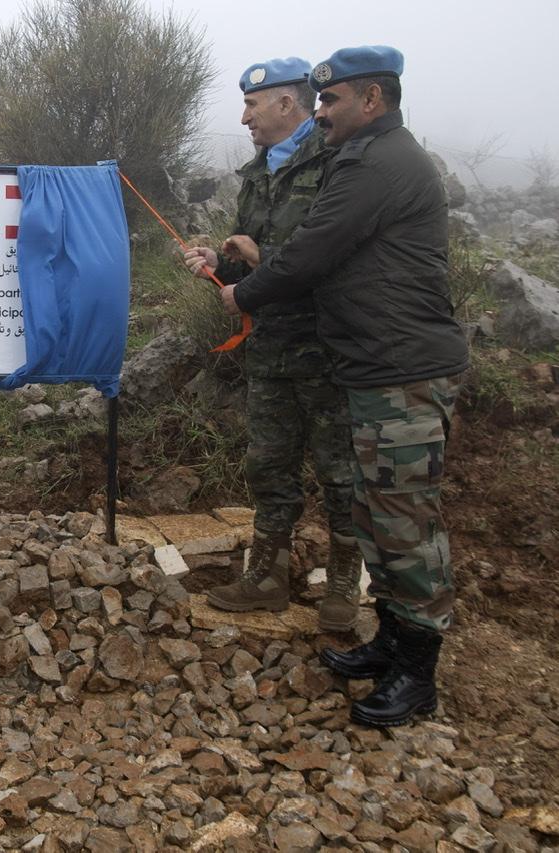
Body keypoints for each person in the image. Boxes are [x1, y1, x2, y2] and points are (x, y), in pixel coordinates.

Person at [221, 46, 469, 727]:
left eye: (330, 100)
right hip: (373, 365)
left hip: (402, 367)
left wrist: (246, 292)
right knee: (378, 511)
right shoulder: (366, 157)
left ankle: (417, 674)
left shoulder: (376, 163)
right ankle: (389, 641)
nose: (320, 111)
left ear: (372, 99)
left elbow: (313, 250)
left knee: (405, 524)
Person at [184, 58, 361, 632]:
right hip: (272, 346)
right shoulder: (258, 172)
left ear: (287, 104)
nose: (243, 119)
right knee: (268, 465)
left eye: (251, 106)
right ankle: (266, 578)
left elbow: (335, 255)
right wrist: (220, 262)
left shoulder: (337, 161)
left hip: (329, 346)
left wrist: (262, 262)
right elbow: (250, 254)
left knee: (341, 469)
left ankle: (344, 585)